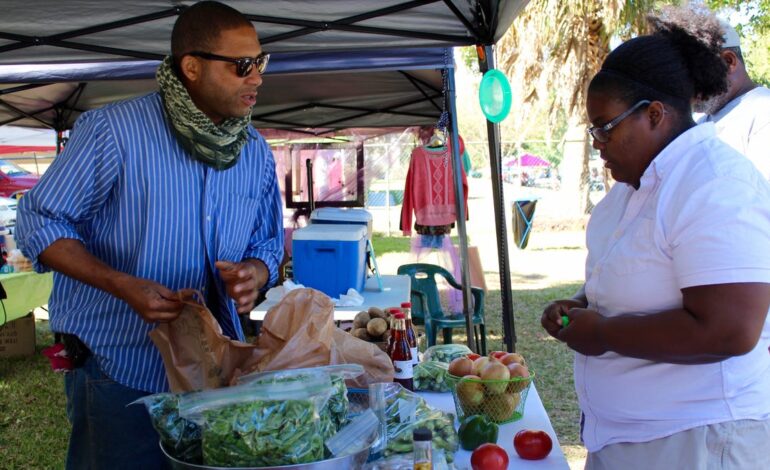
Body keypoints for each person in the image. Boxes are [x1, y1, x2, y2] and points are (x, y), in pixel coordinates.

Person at [16, 2, 284, 468]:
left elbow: (267, 243)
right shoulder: (113, 132)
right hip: (119, 366)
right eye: (242, 66)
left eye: (260, 62)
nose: (256, 77)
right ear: (193, 67)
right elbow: (40, 222)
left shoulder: (254, 151)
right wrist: (121, 284)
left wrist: (254, 273)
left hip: (213, 367)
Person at [541, 16, 770, 470]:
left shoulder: (715, 182)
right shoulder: (631, 190)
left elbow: (730, 329)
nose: (597, 143)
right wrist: (583, 303)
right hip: (627, 439)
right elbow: (640, 276)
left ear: (654, 114)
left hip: (699, 442)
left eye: (605, 127)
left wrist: (601, 333)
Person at [655, 6, 770, 178]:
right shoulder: (701, 124)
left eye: (692, 74)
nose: (686, 88)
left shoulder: (763, 112)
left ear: (729, 61)